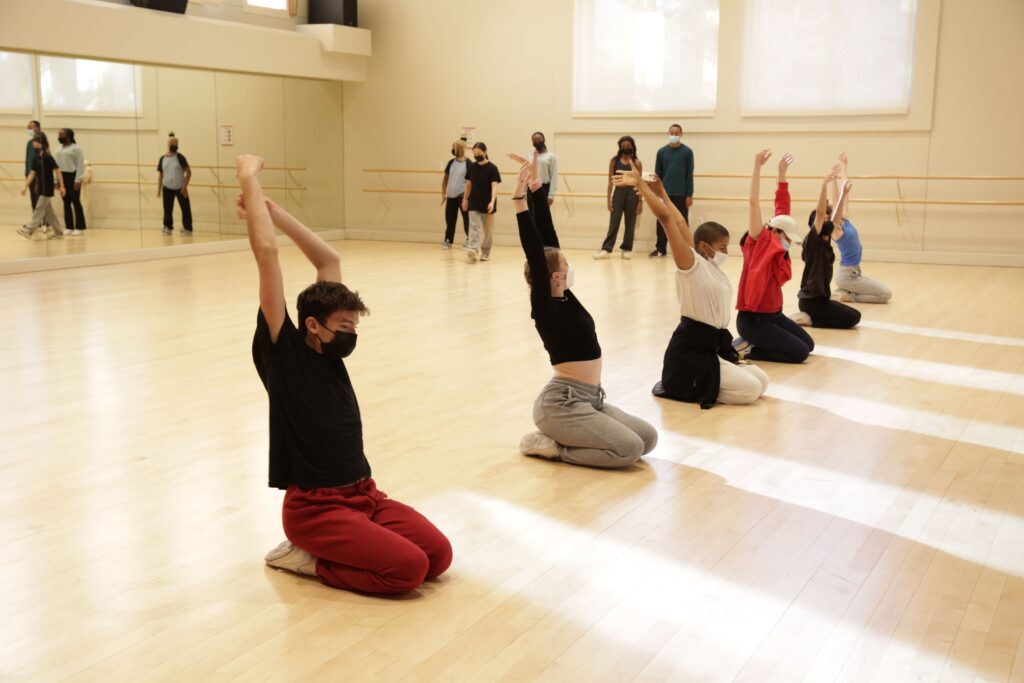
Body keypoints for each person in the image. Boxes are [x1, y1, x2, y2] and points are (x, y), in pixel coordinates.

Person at [237, 153, 452, 595]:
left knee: (438, 556)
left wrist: (276, 212)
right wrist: (248, 179)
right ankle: (308, 560)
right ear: (312, 325)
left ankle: (343, 546)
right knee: (407, 571)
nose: (351, 336)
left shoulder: (332, 355)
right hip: (315, 510)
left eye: (355, 326)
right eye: (345, 327)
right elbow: (267, 256)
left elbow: (328, 259)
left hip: (364, 496)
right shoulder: (284, 352)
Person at [511, 152, 658, 468]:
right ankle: (553, 447)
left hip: (591, 399)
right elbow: (536, 253)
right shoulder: (545, 307)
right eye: (565, 265)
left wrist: (537, 184)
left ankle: (576, 434)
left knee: (648, 438)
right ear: (554, 276)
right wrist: (519, 199)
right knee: (628, 450)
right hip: (561, 403)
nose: (569, 265)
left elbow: (548, 239)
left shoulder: (565, 296)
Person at [614, 164, 769, 407]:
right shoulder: (690, 264)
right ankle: (693, 384)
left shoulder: (708, 264)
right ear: (704, 246)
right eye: (722, 247)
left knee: (762, 381)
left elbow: (680, 222)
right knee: (751, 390)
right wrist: (642, 187)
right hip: (691, 350)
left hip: (712, 345)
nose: (727, 252)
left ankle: (709, 380)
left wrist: (662, 191)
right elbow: (667, 221)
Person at [733, 150, 815, 364]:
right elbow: (753, 202)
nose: (790, 242)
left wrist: (781, 174)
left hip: (774, 315)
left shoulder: (780, 244)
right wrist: (757, 167)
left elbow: (782, 207)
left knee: (809, 345)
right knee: (800, 354)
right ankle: (746, 348)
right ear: (776, 232)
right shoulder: (758, 242)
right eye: (788, 237)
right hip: (754, 321)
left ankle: (758, 342)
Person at [791, 170, 861, 329]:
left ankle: (811, 318)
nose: (828, 219)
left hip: (822, 299)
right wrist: (824, 185)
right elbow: (821, 213)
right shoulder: (813, 240)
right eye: (824, 219)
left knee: (856, 315)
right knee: (852, 319)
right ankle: (809, 320)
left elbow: (835, 219)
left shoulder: (826, 240)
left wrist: (843, 195)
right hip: (810, 301)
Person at [830, 153, 893, 304]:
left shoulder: (845, 220)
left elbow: (843, 197)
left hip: (854, 273)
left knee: (883, 293)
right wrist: (832, 182)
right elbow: (838, 201)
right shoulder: (835, 228)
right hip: (847, 276)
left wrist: (844, 169)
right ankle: (848, 296)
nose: (835, 202)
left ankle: (843, 291)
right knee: (886, 295)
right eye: (831, 203)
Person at [595, 136, 643, 260]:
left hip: (632, 193)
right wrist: (608, 200)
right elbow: (610, 182)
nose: (626, 148)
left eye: (628, 146)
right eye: (623, 146)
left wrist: (640, 202)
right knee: (614, 222)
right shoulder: (614, 161)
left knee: (630, 222)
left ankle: (626, 249)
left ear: (633, 147)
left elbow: (640, 184)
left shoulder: (637, 162)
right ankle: (606, 249)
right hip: (619, 192)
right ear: (620, 147)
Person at [650, 124, 694, 258]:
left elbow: (689, 174)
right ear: (668, 133)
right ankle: (660, 249)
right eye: (672, 133)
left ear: (681, 134)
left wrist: (689, 194)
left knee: (682, 221)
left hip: (681, 194)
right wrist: (656, 192)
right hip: (664, 194)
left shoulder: (687, 152)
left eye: (677, 133)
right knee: (661, 221)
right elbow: (658, 174)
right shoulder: (661, 152)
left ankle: (687, 248)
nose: (674, 135)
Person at [17, 132, 66, 240]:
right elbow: (32, 174)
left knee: (39, 208)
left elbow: (58, 172)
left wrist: (62, 186)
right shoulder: (36, 158)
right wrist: (25, 186)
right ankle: (58, 232)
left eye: (34, 141)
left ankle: (29, 230)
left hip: (47, 188)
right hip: (40, 188)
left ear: (39, 143)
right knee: (49, 213)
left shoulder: (48, 157)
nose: (32, 143)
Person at [462, 142, 501, 262]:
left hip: (488, 203)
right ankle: (473, 249)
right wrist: (465, 199)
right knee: (473, 226)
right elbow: (468, 185)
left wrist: (492, 202)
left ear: (485, 153)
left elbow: (494, 187)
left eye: (479, 153)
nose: (477, 156)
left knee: (487, 229)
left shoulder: (492, 168)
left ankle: (486, 252)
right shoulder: (472, 167)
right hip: (474, 201)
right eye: (475, 154)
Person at [526, 131, 560, 247]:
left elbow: (554, 175)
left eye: (539, 140)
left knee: (544, 218)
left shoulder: (551, 156)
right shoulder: (530, 156)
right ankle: (535, 243)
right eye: (534, 141)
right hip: (531, 188)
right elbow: (528, 173)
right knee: (532, 217)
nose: (537, 142)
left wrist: (551, 195)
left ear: (544, 140)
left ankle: (547, 243)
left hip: (544, 188)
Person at [157, 132, 193, 235]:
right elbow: (160, 175)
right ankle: (167, 227)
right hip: (167, 187)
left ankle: (188, 228)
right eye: (172, 143)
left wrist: (184, 186)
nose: (174, 145)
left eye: (175, 143)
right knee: (167, 209)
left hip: (180, 187)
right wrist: (159, 189)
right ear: (169, 145)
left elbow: (189, 172)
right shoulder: (162, 159)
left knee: (185, 208)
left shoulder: (180, 158)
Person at [55, 128, 87, 235]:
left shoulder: (76, 148)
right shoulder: (58, 148)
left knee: (75, 201)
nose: (59, 136)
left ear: (69, 136)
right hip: (61, 176)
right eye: (59, 134)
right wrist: (56, 180)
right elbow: (56, 166)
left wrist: (78, 179)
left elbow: (80, 165)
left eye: (62, 134)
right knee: (66, 202)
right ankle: (69, 226)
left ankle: (80, 227)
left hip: (73, 176)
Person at [440, 140, 470, 250]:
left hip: (463, 196)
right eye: (454, 148)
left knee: (467, 220)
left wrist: (466, 198)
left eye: (457, 148)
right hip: (451, 196)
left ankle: (469, 240)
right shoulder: (451, 162)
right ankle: (448, 240)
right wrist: (443, 195)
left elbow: (470, 182)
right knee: (450, 220)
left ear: (462, 149)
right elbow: (445, 179)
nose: (455, 150)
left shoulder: (468, 163)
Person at [24, 120, 42, 213]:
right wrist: (26, 174)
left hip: (39, 174)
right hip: (30, 175)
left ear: (38, 128)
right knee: (33, 199)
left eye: (32, 127)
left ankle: (44, 221)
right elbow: (27, 159)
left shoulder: (42, 140)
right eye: (29, 127)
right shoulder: (29, 143)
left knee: (40, 198)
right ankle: (36, 222)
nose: (29, 129)